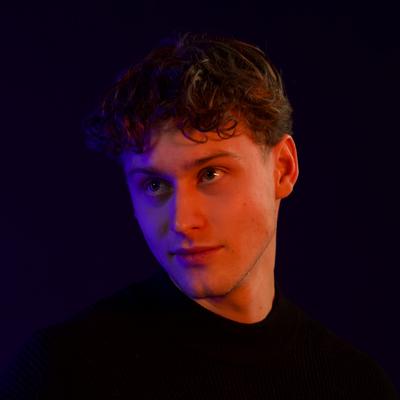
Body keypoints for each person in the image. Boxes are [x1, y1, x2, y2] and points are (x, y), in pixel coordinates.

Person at [1, 32, 398, 399]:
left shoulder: (353, 385)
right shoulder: (62, 373)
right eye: (155, 185)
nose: (181, 221)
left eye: (211, 174)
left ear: (283, 169)